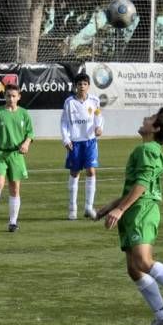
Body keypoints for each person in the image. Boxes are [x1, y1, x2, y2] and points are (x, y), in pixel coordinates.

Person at [96, 108, 163, 325]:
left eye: (151, 118)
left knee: (143, 261)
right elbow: (137, 185)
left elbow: (142, 185)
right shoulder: (149, 150)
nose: (145, 119)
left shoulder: (146, 149)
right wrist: (111, 207)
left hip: (141, 210)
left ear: (155, 129)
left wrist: (120, 209)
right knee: (134, 269)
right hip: (135, 209)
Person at [0, 83, 34, 233]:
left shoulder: (24, 114)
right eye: (8, 96)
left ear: (19, 97)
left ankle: (13, 222)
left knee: (15, 187)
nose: (11, 98)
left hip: (16, 155)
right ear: (4, 96)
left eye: (13, 96)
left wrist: (26, 144)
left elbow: (30, 133)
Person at [60, 72, 104, 220]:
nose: (82, 87)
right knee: (75, 172)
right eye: (79, 84)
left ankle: (88, 207)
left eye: (85, 84)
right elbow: (64, 122)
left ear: (89, 86)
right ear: (75, 86)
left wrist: (99, 127)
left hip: (90, 141)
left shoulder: (94, 100)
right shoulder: (69, 102)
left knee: (91, 171)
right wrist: (66, 139)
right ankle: (72, 208)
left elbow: (98, 116)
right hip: (75, 142)